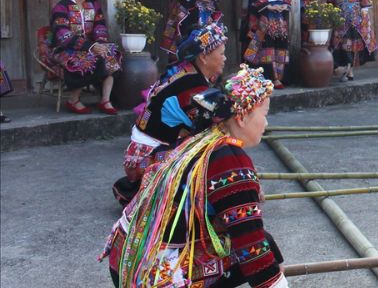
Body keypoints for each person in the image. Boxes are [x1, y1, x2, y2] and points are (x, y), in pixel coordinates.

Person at [102, 65, 288, 288]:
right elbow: (250, 244)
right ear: (241, 117)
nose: (266, 123)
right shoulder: (230, 161)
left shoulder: (194, 141)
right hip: (149, 276)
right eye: (264, 114)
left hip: (125, 258)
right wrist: (277, 282)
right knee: (262, 247)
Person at [113, 23, 228, 206]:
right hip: (146, 159)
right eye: (221, 53)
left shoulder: (184, 73)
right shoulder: (192, 87)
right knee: (211, 144)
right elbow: (213, 125)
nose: (225, 58)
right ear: (204, 57)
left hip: (146, 151)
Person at [49, 0, 122, 114]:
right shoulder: (61, 7)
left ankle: (105, 100)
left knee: (110, 54)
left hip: (90, 46)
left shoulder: (93, 6)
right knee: (83, 60)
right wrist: (90, 46)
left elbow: (100, 28)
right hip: (65, 49)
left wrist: (100, 45)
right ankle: (73, 100)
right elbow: (63, 36)